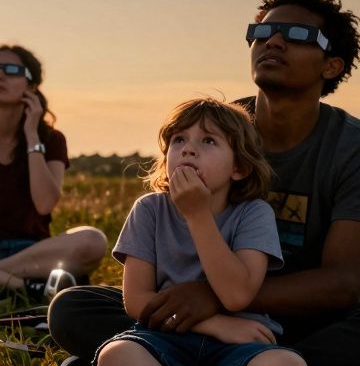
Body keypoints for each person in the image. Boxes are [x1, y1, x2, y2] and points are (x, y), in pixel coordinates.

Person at [49, 0, 360, 366]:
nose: (273, 42)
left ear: (332, 64)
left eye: (297, 35)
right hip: (185, 313)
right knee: (73, 306)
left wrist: (214, 298)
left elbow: (342, 284)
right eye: (261, 32)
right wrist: (202, 310)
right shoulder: (217, 127)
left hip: (304, 317)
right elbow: (143, 285)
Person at [96, 98, 303, 366]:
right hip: (165, 337)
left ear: (239, 168)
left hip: (240, 342)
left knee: (285, 363)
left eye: (208, 141)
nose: (188, 150)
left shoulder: (254, 213)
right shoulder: (150, 209)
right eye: (179, 140)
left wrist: (197, 214)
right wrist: (214, 324)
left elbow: (237, 295)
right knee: (116, 353)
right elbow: (136, 299)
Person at [0, 45, 107, 297]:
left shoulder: (50, 139)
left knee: (93, 241)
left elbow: (44, 204)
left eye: (10, 70)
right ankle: (22, 287)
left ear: (31, 86)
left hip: (30, 251)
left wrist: (32, 137)